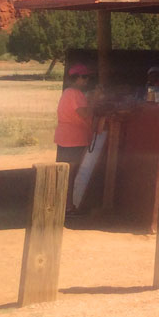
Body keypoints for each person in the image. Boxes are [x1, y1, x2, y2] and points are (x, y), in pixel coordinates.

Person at [54, 63, 95, 215]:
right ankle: (68, 206)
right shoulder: (75, 94)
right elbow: (84, 114)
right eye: (84, 77)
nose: (86, 80)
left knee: (65, 173)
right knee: (70, 174)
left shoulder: (68, 92)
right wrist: (94, 102)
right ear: (75, 78)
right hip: (73, 138)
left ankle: (63, 205)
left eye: (88, 77)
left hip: (66, 136)